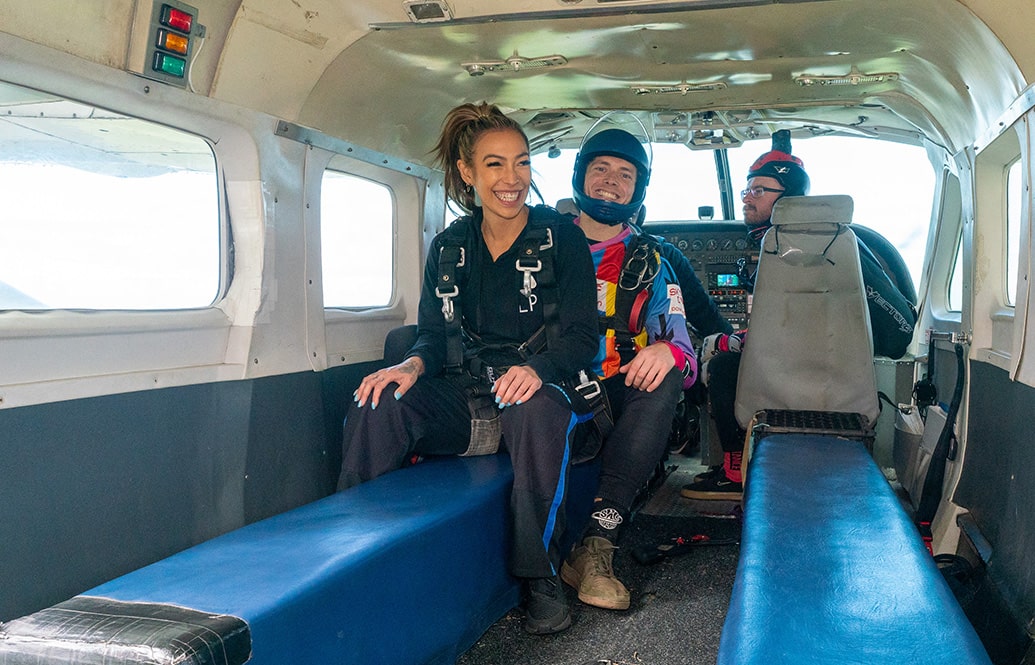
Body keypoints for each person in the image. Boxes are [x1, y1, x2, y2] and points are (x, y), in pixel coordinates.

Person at [337, 102, 599, 635]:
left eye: (522, 163)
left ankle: (540, 575)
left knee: (535, 407)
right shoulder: (449, 246)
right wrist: (410, 365)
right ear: (468, 172)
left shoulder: (561, 239)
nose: (513, 179)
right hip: (469, 400)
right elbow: (433, 335)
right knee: (379, 400)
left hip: (542, 393)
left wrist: (538, 368)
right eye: (496, 165)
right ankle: (350, 555)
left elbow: (583, 340)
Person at [680, 130, 918, 502]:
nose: (746, 197)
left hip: (794, 381)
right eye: (746, 190)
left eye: (759, 190)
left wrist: (731, 341)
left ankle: (731, 471)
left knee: (723, 366)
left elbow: (898, 330)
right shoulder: (837, 243)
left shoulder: (838, 245)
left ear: (787, 200)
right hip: (837, 387)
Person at [557, 128, 700, 611]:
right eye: (600, 169)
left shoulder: (652, 261)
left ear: (637, 191)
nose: (610, 182)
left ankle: (597, 546)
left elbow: (686, 351)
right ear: (580, 177)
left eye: (624, 175)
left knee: (665, 378)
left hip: (610, 398)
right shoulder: (538, 243)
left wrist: (668, 352)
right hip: (545, 388)